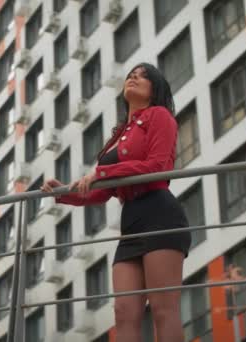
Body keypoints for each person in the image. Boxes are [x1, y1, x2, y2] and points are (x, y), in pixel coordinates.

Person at [41, 63, 191, 342]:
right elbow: (103, 191)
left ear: (155, 89)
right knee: (123, 312)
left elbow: (157, 166)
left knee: (163, 310)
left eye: (144, 75)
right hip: (131, 222)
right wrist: (62, 193)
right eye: (132, 73)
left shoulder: (160, 116)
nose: (134, 76)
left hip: (161, 214)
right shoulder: (121, 133)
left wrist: (101, 172)